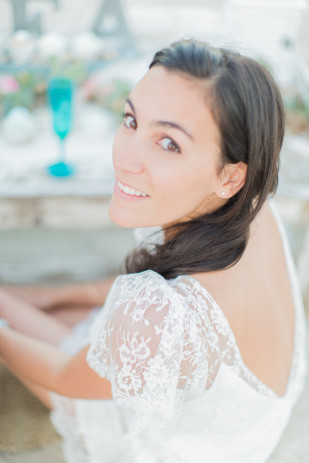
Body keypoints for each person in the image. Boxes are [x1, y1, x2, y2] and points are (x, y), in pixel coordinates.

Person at [0, 39, 306, 463]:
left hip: (194, 447)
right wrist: (47, 295)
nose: (125, 158)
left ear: (230, 176)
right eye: (130, 120)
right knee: (57, 315)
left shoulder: (162, 315)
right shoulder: (250, 204)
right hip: (253, 418)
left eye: (168, 144)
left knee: (53, 338)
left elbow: (64, 378)